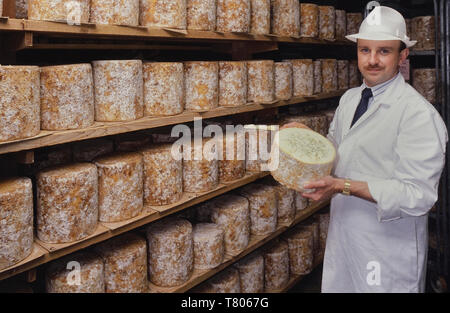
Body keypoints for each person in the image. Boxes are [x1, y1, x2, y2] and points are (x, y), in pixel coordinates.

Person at [284, 6, 448, 292]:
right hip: (346, 237)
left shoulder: (417, 114)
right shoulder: (350, 99)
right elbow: (336, 151)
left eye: (384, 51)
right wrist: (305, 140)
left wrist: (342, 185)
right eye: (364, 50)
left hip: (388, 248)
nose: (372, 60)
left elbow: (418, 195)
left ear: (402, 55)